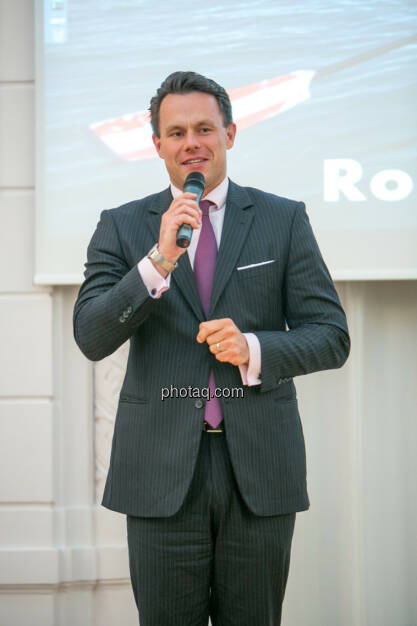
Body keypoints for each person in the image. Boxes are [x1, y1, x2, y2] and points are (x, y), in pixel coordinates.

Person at [73, 71, 350, 625]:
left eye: (204, 128)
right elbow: (92, 335)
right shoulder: (123, 226)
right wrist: (157, 263)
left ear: (230, 133)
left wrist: (252, 348)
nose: (191, 142)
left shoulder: (281, 218)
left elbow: (331, 336)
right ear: (157, 146)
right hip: (159, 473)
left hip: (258, 469)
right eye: (176, 133)